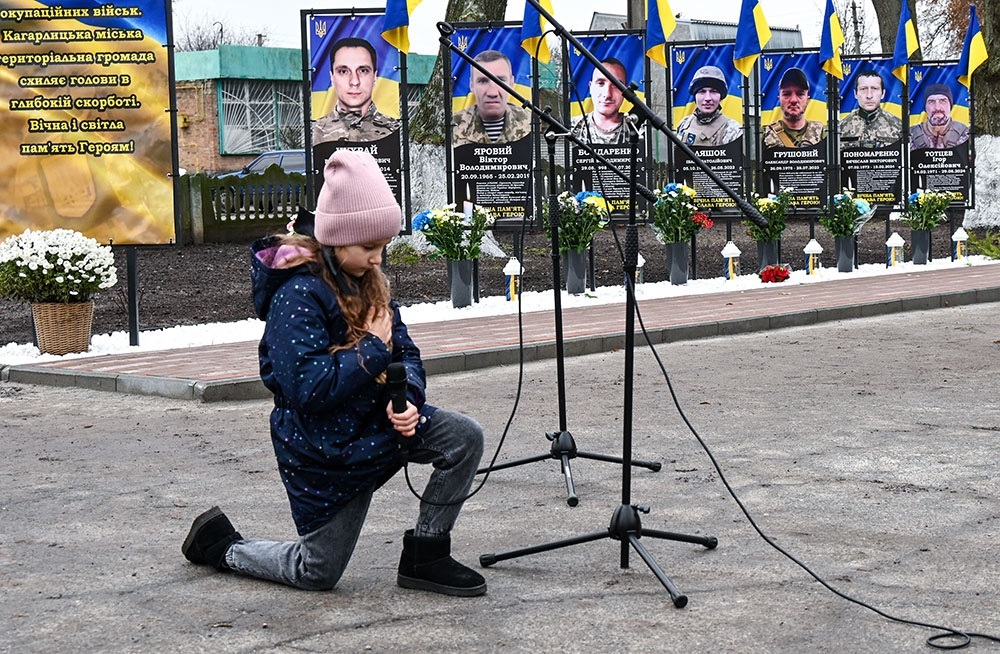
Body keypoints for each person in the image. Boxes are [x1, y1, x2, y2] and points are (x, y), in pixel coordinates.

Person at [182, 150, 487, 597]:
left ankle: (427, 553)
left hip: (376, 425)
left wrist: (409, 400)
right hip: (326, 448)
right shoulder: (297, 297)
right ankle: (221, 547)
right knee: (316, 572)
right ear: (336, 239)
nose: (379, 259)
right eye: (369, 248)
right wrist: (372, 351)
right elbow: (307, 387)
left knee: (464, 437)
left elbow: (407, 353)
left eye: (383, 246)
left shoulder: (369, 281)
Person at [312, 37, 400, 145]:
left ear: (374, 77)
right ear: (332, 77)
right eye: (343, 71)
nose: (354, 81)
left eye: (363, 71)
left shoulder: (395, 130)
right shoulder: (317, 131)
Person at [452, 50, 531, 147]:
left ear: (511, 83)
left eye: (500, 81)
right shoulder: (453, 126)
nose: (492, 93)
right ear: (471, 85)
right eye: (483, 81)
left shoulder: (530, 123)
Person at [675, 65, 742, 147]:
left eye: (714, 91)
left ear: (721, 96)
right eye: (702, 91)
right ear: (695, 96)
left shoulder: (732, 129)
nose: (708, 98)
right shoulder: (684, 124)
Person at [762, 67, 828, 149]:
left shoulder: (823, 133)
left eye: (800, 94)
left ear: (807, 99)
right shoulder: (764, 135)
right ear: (779, 98)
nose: (793, 100)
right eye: (787, 94)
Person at [569, 57, 630, 145]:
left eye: (616, 85)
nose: (608, 94)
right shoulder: (571, 128)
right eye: (601, 83)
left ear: (626, 90)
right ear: (591, 87)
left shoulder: (639, 129)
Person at [838, 69, 902, 149]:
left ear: (883, 94)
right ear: (855, 94)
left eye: (874, 89)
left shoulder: (899, 127)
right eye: (863, 89)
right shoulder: (840, 128)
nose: (869, 95)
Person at [910, 83, 970, 149]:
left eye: (943, 101)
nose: (937, 108)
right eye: (931, 102)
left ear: (950, 106)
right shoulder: (910, 136)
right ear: (925, 108)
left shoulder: (966, 135)